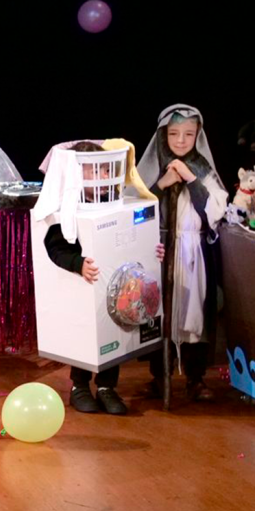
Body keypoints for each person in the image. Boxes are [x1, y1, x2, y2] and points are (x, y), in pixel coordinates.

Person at [43, 142, 165, 415]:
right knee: (87, 335)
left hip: (115, 284)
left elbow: (135, 233)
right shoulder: (67, 207)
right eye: (89, 173)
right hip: (84, 285)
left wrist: (152, 249)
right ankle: (79, 386)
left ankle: (107, 387)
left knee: (112, 332)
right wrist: (78, 263)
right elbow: (55, 246)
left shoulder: (115, 201)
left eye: (100, 172)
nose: (97, 179)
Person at [137, 105, 229, 401]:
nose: (180, 140)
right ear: (163, 135)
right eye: (174, 133)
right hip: (160, 251)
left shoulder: (203, 169)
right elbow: (135, 209)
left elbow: (216, 211)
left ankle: (195, 377)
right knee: (159, 313)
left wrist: (190, 178)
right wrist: (161, 185)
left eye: (188, 134)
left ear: (197, 136)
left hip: (193, 252)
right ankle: (159, 376)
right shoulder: (152, 168)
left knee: (195, 314)